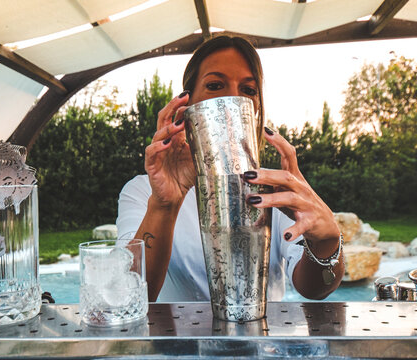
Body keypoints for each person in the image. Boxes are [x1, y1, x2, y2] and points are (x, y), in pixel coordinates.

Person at [117, 36, 344, 302]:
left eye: (248, 90)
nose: (232, 101)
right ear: (187, 105)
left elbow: (313, 289)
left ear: (257, 107)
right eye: (215, 85)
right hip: (178, 344)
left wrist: (327, 242)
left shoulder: (274, 188)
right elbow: (125, 294)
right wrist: (164, 205)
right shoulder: (142, 191)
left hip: (264, 341)